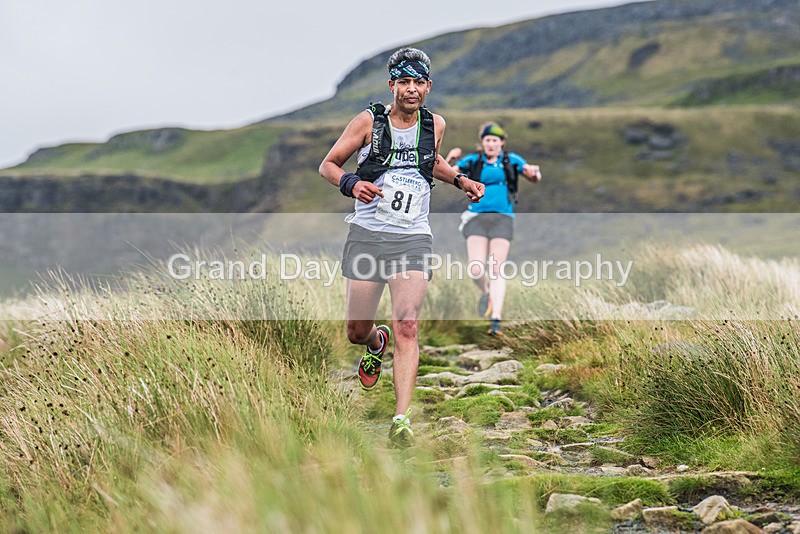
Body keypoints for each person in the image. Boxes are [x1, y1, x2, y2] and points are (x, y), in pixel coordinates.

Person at [319, 47, 484, 448]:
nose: (411, 89)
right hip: (368, 234)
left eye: (419, 82)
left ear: (428, 86)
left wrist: (461, 180)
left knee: (407, 325)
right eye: (404, 81)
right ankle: (375, 344)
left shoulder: (434, 124)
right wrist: (351, 184)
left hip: (413, 236)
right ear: (392, 84)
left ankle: (401, 420)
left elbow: (430, 163)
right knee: (356, 330)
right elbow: (329, 164)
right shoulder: (369, 121)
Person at [446, 122, 541, 335]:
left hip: (502, 219)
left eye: (495, 141)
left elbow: (533, 175)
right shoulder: (473, 161)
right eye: (487, 140)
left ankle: (496, 318)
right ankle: (487, 292)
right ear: (482, 143)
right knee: (476, 269)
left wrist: (535, 173)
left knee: (497, 268)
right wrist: (450, 159)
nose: (491, 144)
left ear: (502, 143)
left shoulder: (511, 160)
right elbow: (449, 175)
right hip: (476, 218)